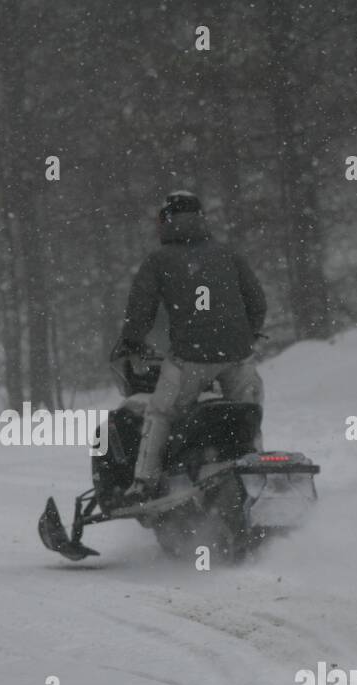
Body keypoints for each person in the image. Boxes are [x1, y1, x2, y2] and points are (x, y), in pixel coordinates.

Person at [112, 191, 267, 505]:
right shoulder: (229, 254)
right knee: (246, 413)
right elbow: (258, 303)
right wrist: (243, 338)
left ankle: (143, 482)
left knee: (160, 411)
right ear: (201, 218)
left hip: (190, 358)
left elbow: (141, 311)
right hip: (237, 357)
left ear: (166, 221)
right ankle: (257, 472)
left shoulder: (158, 260)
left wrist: (130, 342)